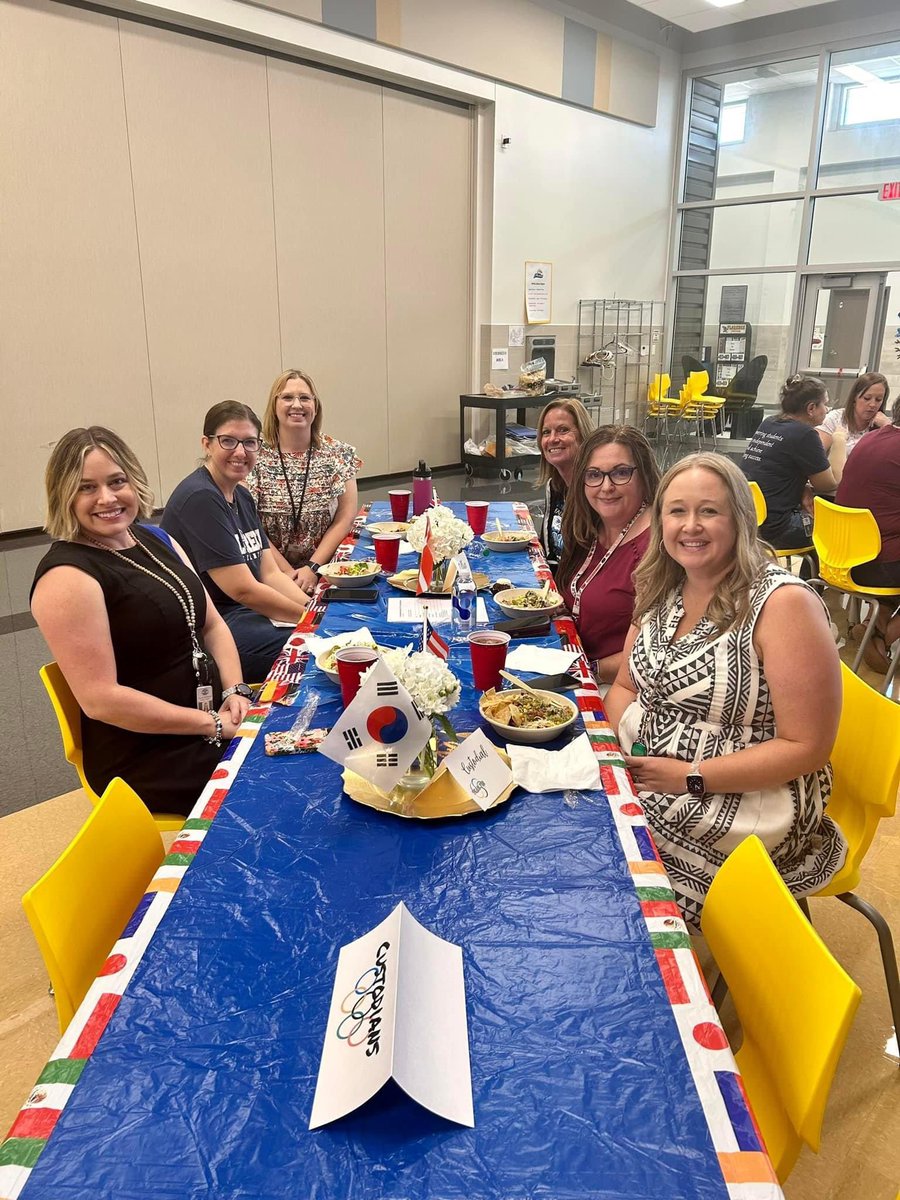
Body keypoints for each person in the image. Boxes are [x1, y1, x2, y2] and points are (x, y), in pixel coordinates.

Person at [605, 453, 847, 930]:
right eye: (677, 511)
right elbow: (623, 685)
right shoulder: (661, 584)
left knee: (612, 870)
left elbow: (808, 746)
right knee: (577, 822)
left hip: (745, 795)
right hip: (650, 766)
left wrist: (688, 776)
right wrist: (626, 756)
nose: (690, 526)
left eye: (709, 511)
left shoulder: (782, 604)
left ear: (740, 518)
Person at [30, 427, 252, 816]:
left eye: (117, 481)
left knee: (303, 724)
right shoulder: (67, 578)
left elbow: (212, 624)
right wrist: (210, 724)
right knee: (276, 776)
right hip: (146, 753)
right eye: (86, 488)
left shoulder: (155, 540)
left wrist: (236, 690)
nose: (107, 498)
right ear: (62, 496)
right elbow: (102, 701)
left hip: (207, 715)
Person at [162, 401, 310, 683]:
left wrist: (313, 610)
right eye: (228, 441)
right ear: (207, 444)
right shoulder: (201, 498)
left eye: (250, 442)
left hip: (244, 615)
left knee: (325, 633)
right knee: (314, 649)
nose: (240, 452)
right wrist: (312, 623)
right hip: (213, 629)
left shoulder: (241, 495)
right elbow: (243, 590)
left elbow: (270, 573)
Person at [556, 426, 660, 684]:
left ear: (644, 475)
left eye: (621, 473)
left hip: (618, 686)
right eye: (594, 475)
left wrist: (591, 670)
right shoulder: (590, 526)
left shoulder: (655, 547)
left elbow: (652, 653)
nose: (606, 486)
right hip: (574, 663)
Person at [245, 369, 362, 594]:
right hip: (267, 572)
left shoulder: (338, 453)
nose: (297, 405)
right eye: (287, 397)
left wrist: (312, 568)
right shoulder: (253, 454)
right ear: (274, 406)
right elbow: (249, 524)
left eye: (305, 398)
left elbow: (345, 517)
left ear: (315, 407)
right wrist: (286, 574)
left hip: (326, 568)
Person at [835, 393, 900, 671]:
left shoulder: (872, 438)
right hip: (877, 564)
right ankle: (885, 636)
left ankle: (872, 626)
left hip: (842, 557)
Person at [740, 373, 836, 552]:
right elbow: (827, 484)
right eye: (825, 403)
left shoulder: (769, 423)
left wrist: (803, 488)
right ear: (811, 408)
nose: (828, 409)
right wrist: (838, 440)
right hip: (777, 529)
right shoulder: (805, 434)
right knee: (836, 528)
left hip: (750, 523)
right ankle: (813, 578)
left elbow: (777, 470)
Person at [533, 398, 594, 570]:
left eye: (563, 430)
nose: (552, 439)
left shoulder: (596, 491)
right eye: (546, 432)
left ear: (583, 435)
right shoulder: (555, 486)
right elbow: (551, 551)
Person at [817, 372, 889, 468]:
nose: (872, 404)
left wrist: (888, 426)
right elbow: (815, 457)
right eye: (867, 398)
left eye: (878, 400)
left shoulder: (884, 426)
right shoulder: (835, 419)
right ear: (855, 397)